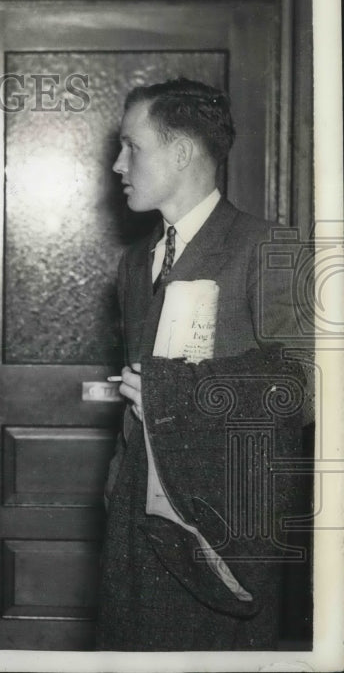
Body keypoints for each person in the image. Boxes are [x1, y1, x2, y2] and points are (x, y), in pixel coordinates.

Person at [97, 78, 311, 650]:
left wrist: (180, 392)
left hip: (218, 532)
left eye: (131, 147)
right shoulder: (135, 262)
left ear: (183, 151)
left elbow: (304, 383)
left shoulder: (266, 247)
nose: (118, 164)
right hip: (136, 529)